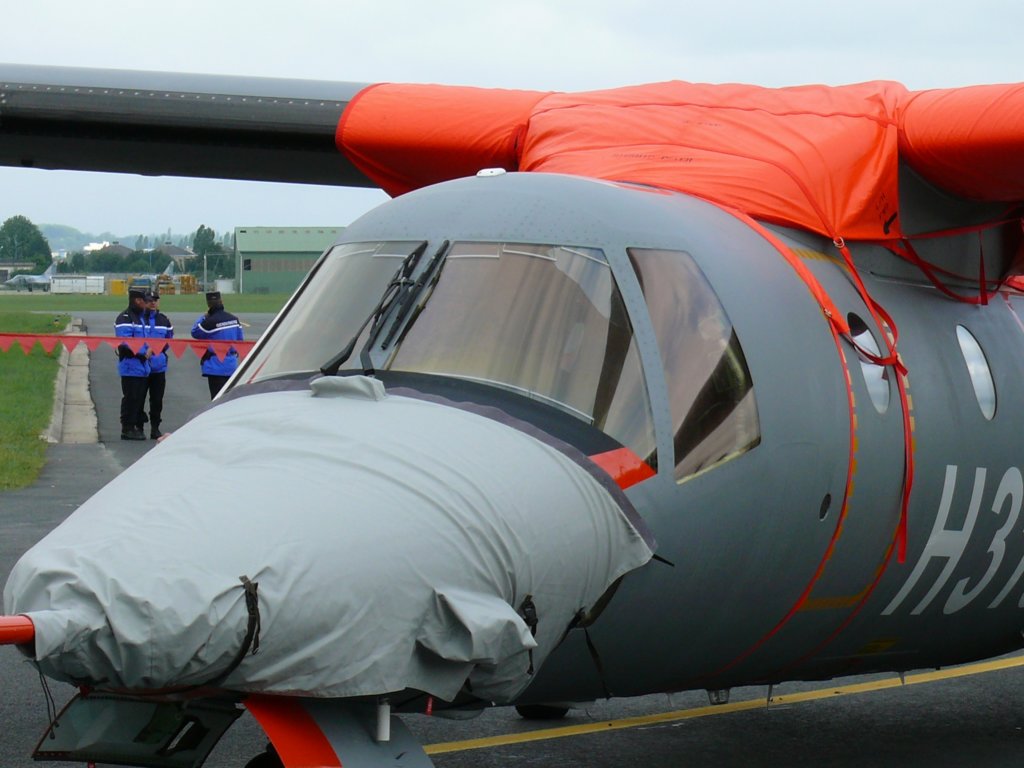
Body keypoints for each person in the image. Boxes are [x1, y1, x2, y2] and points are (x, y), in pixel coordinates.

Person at [191, 290, 244, 398]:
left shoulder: (209, 322)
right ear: (222, 301)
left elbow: (195, 332)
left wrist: (203, 317)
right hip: (231, 365)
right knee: (230, 399)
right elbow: (240, 340)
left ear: (208, 304)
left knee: (217, 399)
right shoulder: (234, 319)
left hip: (215, 367)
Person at [114, 288, 152, 440]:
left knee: (139, 398)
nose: (146, 304)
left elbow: (146, 339)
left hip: (142, 366)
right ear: (137, 300)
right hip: (131, 365)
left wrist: (149, 350)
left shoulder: (140, 318)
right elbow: (125, 342)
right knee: (131, 397)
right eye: (144, 301)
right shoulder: (125, 318)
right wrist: (142, 354)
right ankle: (127, 427)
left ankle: (135, 424)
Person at [139, 291, 173, 439]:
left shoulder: (164, 320)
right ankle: (138, 426)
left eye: (155, 300)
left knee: (157, 400)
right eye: (150, 300)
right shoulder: (139, 319)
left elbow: (169, 340)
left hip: (158, 367)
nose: (153, 303)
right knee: (139, 398)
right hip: (141, 365)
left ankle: (155, 427)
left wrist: (158, 351)